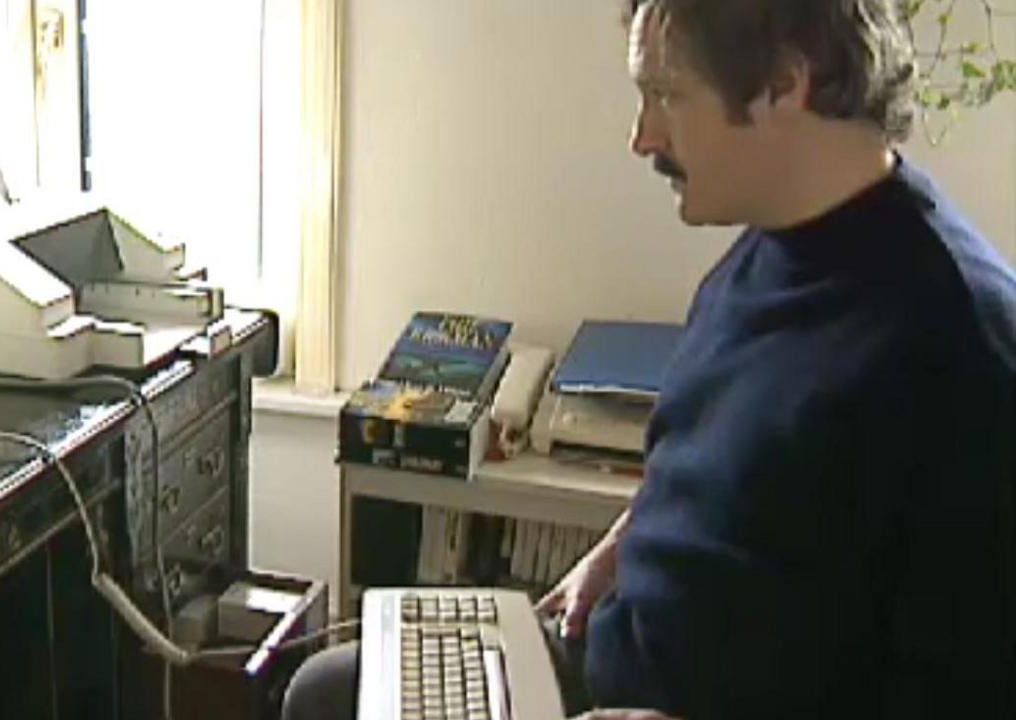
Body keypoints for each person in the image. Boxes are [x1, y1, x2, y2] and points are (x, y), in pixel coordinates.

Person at [282, 0, 1016, 717]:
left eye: (666, 95)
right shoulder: (772, 242)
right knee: (324, 691)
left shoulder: (962, 345)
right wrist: (620, 548)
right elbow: (742, 465)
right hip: (614, 658)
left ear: (786, 85)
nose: (641, 137)